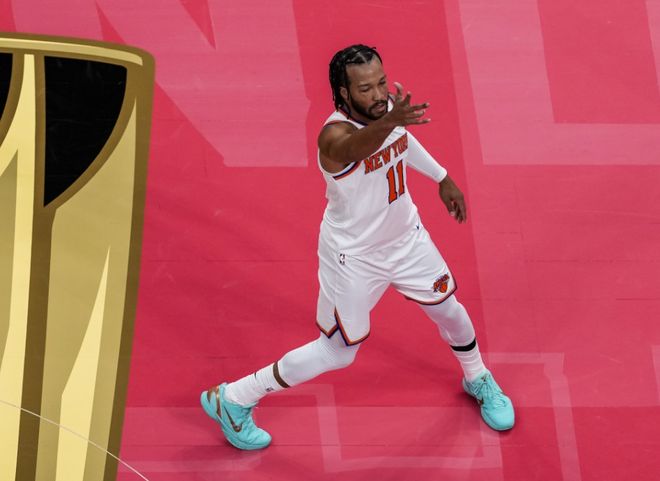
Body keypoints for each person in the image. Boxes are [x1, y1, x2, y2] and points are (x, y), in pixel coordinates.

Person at [201, 44, 515, 451]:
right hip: (354, 257)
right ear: (344, 93)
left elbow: (401, 139)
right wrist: (392, 120)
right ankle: (233, 398)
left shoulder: (384, 114)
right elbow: (360, 147)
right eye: (366, 89)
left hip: (406, 240)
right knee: (337, 352)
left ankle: (477, 377)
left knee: (448, 309)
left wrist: (441, 177)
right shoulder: (333, 138)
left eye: (382, 83)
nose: (379, 95)